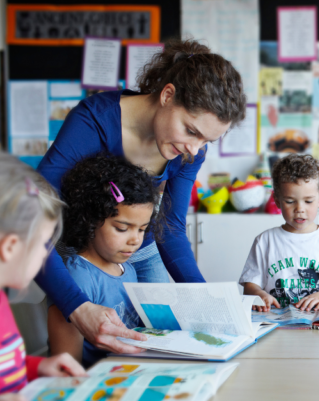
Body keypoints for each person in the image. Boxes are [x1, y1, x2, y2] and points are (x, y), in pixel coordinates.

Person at [34, 39, 246, 355]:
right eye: (191, 131)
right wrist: (77, 306)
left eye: (207, 141)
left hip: (142, 249)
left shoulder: (191, 151)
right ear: (167, 95)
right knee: (85, 343)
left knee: (158, 344)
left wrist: (207, 303)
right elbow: (33, 218)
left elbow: (170, 228)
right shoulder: (93, 120)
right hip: (80, 246)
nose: (194, 149)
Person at [0, 154, 85, 399]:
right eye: (43, 243)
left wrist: (36, 367)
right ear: (10, 247)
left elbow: (0, 367)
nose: (46, 254)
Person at [47, 155, 163, 367]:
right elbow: (66, 365)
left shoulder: (127, 268)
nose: (135, 240)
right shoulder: (78, 277)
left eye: (142, 229)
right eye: (122, 228)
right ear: (90, 221)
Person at [240, 154, 319, 312]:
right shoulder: (265, 241)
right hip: (278, 321)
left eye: (308, 201)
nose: (300, 209)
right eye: (290, 201)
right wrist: (260, 295)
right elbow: (250, 285)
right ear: (277, 201)